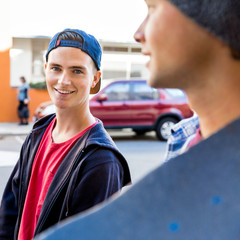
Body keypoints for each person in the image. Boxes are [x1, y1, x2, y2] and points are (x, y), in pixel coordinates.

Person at [35, 0, 240, 239]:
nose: (138, 33)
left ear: (213, 16)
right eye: (55, 68)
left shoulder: (100, 156)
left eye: (153, 8)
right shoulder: (181, 140)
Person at [0, 28, 131, 240]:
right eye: (56, 68)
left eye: (77, 71)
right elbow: (9, 211)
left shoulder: (101, 159)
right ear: (46, 69)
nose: (63, 81)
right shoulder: (38, 133)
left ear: (95, 79)